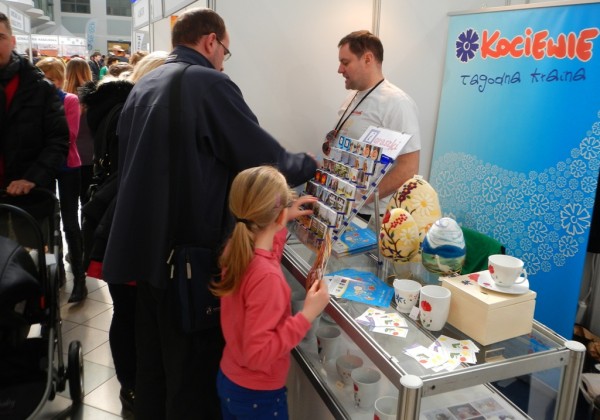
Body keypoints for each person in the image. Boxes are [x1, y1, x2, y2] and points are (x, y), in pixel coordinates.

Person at [102, 8, 317, 419]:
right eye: (225, 52)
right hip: (187, 260)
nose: (223, 62)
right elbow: (262, 158)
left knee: (154, 371)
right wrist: (307, 164)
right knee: (190, 380)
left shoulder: (147, 83)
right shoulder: (207, 84)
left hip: (146, 256)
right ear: (211, 41)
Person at [79, 50, 169, 416]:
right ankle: (132, 386)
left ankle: (132, 386)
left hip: (113, 221)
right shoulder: (130, 114)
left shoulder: (114, 107)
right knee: (132, 315)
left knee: (127, 312)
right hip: (125, 224)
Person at [213, 166, 330, 419]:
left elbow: (267, 255)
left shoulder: (236, 248)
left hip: (231, 378)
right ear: (277, 215)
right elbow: (258, 355)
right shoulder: (267, 278)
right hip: (257, 396)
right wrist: (307, 315)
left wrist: (281, 220)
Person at [330, 30, 421, 215]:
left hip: (372, 215)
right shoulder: (351, 98)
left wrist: (362, 198)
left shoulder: (397, 103)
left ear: (368, 59)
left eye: (345, 62)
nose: (339, 69)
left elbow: (408, 168)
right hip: (341, 206)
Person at [0, 13, 68, 244]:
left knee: (30, 259)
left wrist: (32, 178)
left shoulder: (40, 88)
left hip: (31, 199)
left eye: (0, 37)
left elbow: (58, 140)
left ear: (13, 41)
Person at [35, 57, 85, 304]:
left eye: (51, 78)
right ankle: (56, 274)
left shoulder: (70, 100)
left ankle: (80, 279)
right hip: (44, 168)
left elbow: (70, 135)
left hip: (67, 166)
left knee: (70, 223)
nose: (47, 83)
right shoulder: (35, 102)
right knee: (48, 224)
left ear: (59, 79)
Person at [63, 57, 94, 302]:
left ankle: (76, 252)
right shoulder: (93, 98)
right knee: (88, 206)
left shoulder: (64, 99)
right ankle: (86, 251)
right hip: (91, 159)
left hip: (71, 161)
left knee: (70, 212)